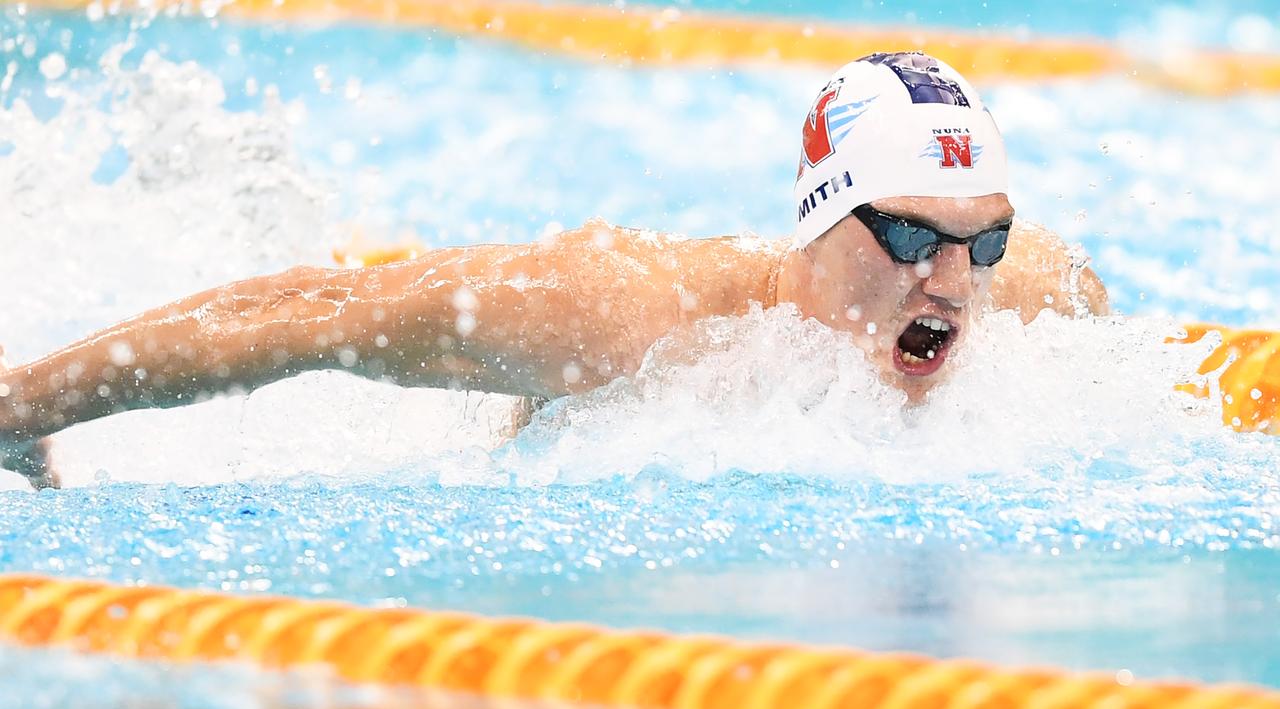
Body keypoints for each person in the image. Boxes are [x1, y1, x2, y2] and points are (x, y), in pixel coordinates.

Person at [0, 52, 1107, 489]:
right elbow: (298, 317)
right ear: (818, 223)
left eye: (983, 241)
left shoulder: (1039, 295)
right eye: (910, 238)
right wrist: (22, 406)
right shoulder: (621, 319)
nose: (952, 285)